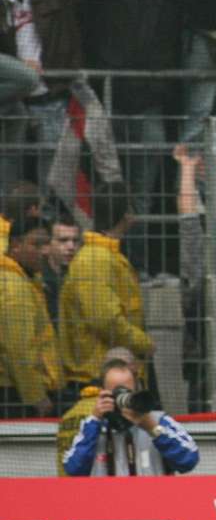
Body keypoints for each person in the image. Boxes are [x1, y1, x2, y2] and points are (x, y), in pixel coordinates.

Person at [55, 181, 151, 394]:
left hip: (114, 375)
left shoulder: (107, 256)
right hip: (96, 380)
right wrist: (144, 344)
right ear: (127, 215)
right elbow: (106, 319)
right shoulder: (95, 259)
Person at [60, 355, 200, 476]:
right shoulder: (92, 427)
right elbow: (74, 469)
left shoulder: (158, 420)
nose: (123, 398)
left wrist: (152, 428)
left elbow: (188, 460)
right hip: (107, 505)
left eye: (128, 392)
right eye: (116, 392)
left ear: (136, 390)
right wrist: (95, 420)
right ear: (103, 393)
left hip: (152, 504)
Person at [0, 213, 56, 417]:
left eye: (47, 244)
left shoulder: (24, 280)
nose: (45, 251)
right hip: (13, 393)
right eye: (37, 245)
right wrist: (36, 396)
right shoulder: (14, 287)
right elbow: (18, 349)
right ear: (15, 245)